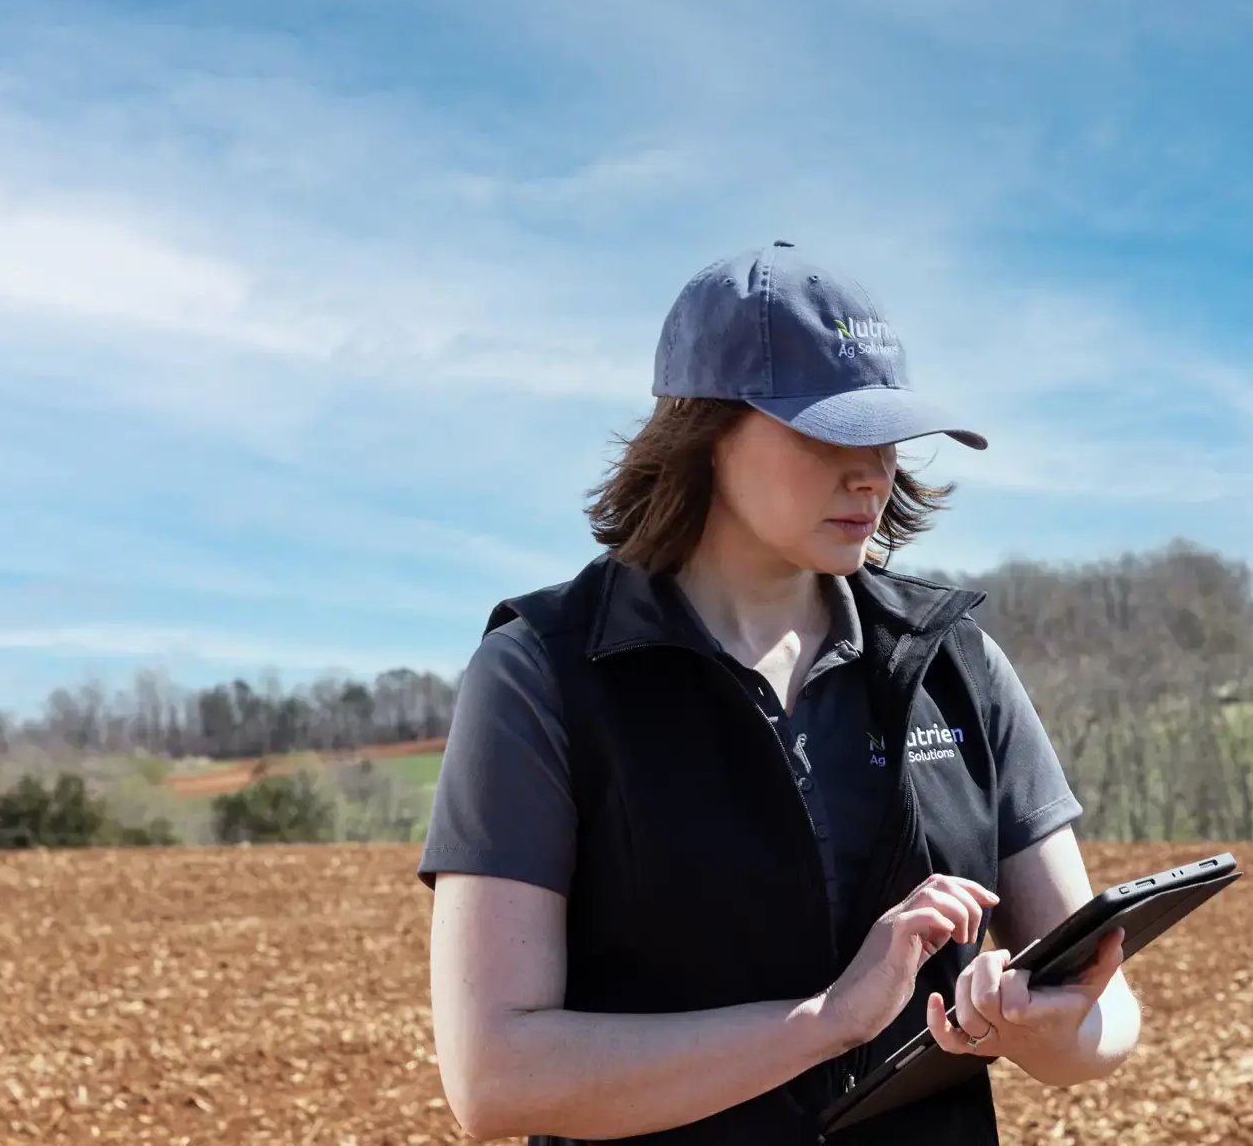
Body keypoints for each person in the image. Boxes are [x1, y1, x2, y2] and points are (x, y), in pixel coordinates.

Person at [418, 243, 1140, 1144]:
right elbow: (496, 1077)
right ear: (702, 431)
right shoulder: (544, 675)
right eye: (829, 432)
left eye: (886, 437)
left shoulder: (954, 660)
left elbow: (1106, 1019)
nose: (872, 473)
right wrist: (826, 1022)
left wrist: (1055, 1025)